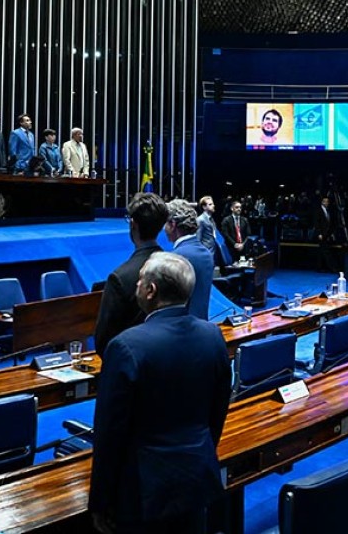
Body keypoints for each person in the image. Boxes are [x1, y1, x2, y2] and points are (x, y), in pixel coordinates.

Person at [88, 252, 230, 533]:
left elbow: (109, 431)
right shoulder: (212, 335)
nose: (137, 285)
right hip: (196, 476)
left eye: (140, 280)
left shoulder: (125, 346)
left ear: (150, 290)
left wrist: (100, 501)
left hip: (143, 491)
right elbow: (218, 410)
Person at [94, 192, 168, 355]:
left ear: (133, 224)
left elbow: (103, 342)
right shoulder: (176, 268)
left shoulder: (120, 278)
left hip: (132, 363)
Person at [164, 199, 214, 321]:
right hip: (201, 324)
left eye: (165, 223)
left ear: (172, 225)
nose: (164, 229)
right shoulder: (206, 253)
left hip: (181, 327)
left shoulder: (176, 258)